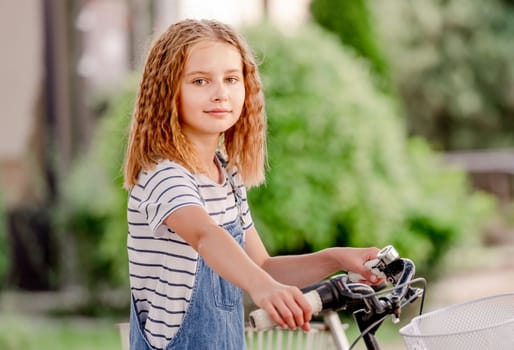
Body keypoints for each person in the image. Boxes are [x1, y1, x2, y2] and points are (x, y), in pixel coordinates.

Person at [123, 18, 382, 350]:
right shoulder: (164, 174)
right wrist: (263, 288)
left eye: (231, 79)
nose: (220, 93)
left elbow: (262, 266)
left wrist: (336, 259)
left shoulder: (226, 174)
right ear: (166, 91)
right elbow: (205, 236)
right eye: (200, 81)